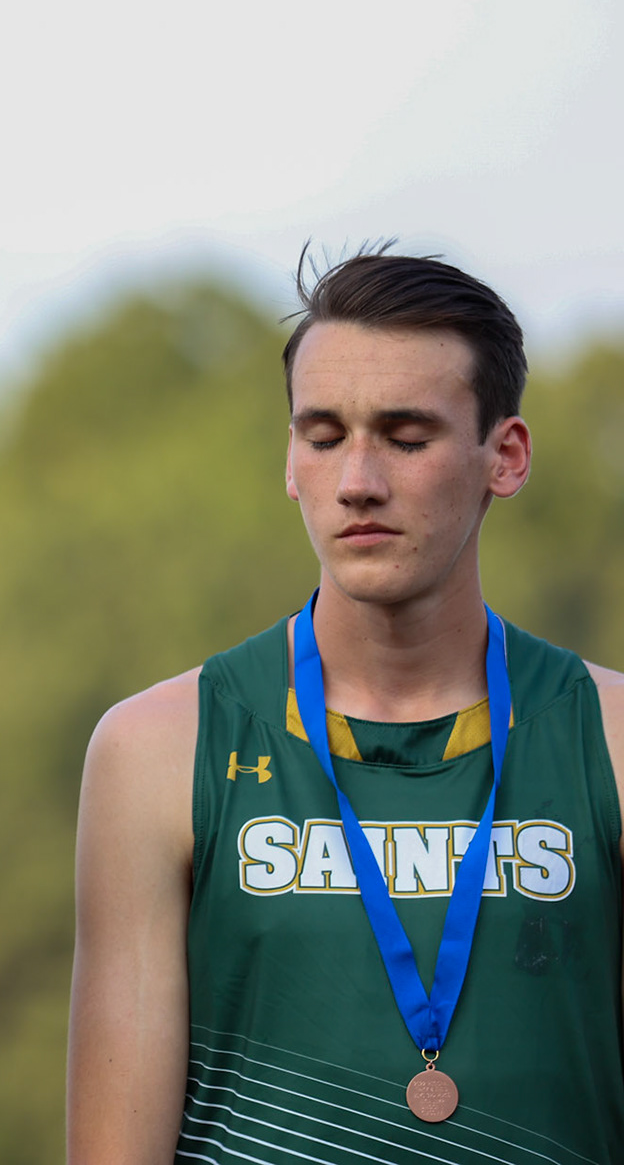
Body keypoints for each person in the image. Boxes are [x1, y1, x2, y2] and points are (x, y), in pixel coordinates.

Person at [67, 252, 624, 1162]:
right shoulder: (158, 749)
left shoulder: (608, 740)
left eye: (407, 438)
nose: (358, 481)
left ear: (506, 457)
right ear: (291, 462)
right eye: (324, 437)